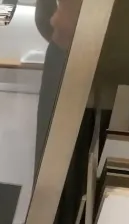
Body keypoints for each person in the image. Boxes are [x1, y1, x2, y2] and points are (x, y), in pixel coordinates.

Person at [36, 0, 84, 170]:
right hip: (67, 51)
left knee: (54, 162)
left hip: (67, 49)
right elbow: (44, 17)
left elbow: (43, 18)